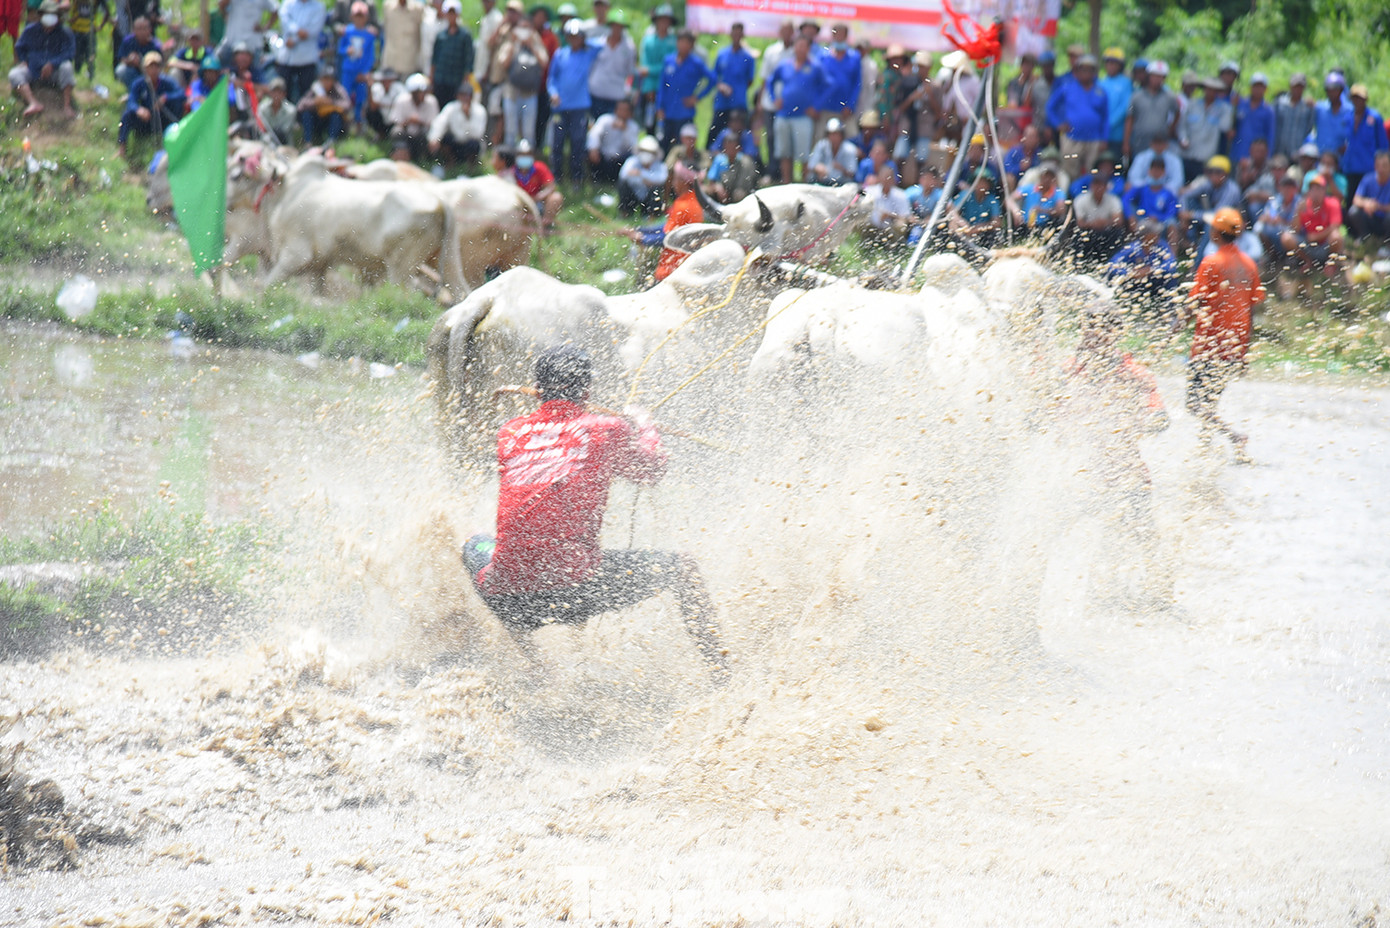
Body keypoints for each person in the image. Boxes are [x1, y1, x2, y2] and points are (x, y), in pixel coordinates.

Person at [462, 346, 729, 683]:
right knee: (683, 567)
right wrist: (644, 426)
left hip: (508, 600)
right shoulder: (606, 428)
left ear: (537, 389)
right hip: (576, 591)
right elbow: (653, 470)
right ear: (587, 391)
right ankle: (723, 678)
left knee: (474, 544)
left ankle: (538, 665)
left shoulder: (509, 433)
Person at [1183, 207, 1264, 461]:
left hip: (1209, 346)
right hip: (1233, 346)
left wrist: (1177, 323)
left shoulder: (1211, 262)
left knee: (1195, 404)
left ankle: (1234, 437)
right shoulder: (1249, 264)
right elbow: (1251, 309)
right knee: (1210, 401)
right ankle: (1205, 448)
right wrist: (1244, 352)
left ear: (1216, 233)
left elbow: (1195, 301)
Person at [768, 34, 827, 184]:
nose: (800, 49)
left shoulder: (815, 66)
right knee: (784, 152)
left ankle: (803, 183)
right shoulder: (784, 65)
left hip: (803, 116)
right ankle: (786, 182)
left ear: (808, 48)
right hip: (783, 114)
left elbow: (827, 86)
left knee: (803, 154)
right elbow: (770, 81)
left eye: (803, 46)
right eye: (798, 45)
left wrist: (817, 106)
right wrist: (775, 99)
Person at [546, 17, 598, 183]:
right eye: (571, 36)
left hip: (579, 106)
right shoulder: (560, 54)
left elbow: (601, 45)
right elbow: (552, 78)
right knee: (557, 143)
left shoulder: (587, 54)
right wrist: (553, 93)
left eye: (577, 36)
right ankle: (556, 176)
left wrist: (586, 40)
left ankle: (577, 178)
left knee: (578, 142)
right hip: (561, 106)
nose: (574, 39)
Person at [9, 1, 77, 119]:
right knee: (14, 74)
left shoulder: (65, 32)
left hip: (55, 72)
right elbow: (19, 47)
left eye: (53, 14)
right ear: (40, 15)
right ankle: (33, 103)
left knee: (67, 67)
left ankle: (67, 106)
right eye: (47, 14)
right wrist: (24, 60)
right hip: (33, 70)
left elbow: (69, 53)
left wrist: (53, 64)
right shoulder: (30, 30)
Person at [1047, 53, 1108, 179]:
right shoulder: (1067, 88)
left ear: (1094, 72)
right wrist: (1058, 124)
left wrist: (1104, 139)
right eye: (1083, 69)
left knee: (1092, 172)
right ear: (1078, 71)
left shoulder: (1100, 91)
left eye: (1090, 70)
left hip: (1094, 139)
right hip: (1071, 137)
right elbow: (1050, 107)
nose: (1086, 73)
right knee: (1070, 171)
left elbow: (1105, 117)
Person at [1106, 218, 1179, 321]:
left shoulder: (1161, 246)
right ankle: (1116, 307)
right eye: (1155, 234)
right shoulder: (1132, 249)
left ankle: (1169, 310)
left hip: (1155, 281)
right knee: (1113, 276)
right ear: (1146, 236)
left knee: (1170, 276)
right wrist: (1130, 273)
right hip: (1133, 283)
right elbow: (1112, 265)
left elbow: (1171, 264)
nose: (1157, 236)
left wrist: (1152, 270)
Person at [654, 29, 713, 155]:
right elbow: (662, 86)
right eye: (681, 42)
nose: (683, 45)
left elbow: (712, 79)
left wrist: (697, 97)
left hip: (685, 113)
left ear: (692, 45)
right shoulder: (669, 60)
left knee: (683, 147)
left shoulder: (696, 63)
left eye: (687, 43)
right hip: (668, 111)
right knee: (663, 145)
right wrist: (659, 107)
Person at [118, 51, 185, 156]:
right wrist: (139, 110)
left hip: (164, 119)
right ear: (145, 68)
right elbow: (131, 101)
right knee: (127, 115)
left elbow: (181, 94)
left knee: (178, 106)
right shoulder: (139, 83)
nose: (154, 70)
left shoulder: (167, 82)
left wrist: (166, 97)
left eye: (156, 66)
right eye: (151, 67)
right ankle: (122, 149)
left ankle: (171, 146)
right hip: (147, 118)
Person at [753, 18, 795, 181]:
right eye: (784, 31)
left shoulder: (796, 51)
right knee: (770, 137)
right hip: (770, 103)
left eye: (789, 31)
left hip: (788, 105)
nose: (786, 34)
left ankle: (786, 174)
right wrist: (759, 102)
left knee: (785, 138)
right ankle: (772, 171)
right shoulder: (771, 51)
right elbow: (765, 78)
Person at [1281, 173, 1344, 277]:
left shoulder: (1332, 203)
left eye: (1319, 189)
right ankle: (1307, 261)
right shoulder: (1303, 205)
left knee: (1336, 237)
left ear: (1324, 191)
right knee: (1286, 237)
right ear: (1309, 191)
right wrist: (1298, 212)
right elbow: (1295, 230)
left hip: (1325, 244)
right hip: (1308, 244)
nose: (1315, 192)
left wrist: (1317, 236)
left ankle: (1330, 263)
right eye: (1313, 189)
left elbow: (1335, 226)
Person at [707, 20, 753, 147]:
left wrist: (738, 89)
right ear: (730, 34)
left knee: (740, 136)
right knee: (714, 134)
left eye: (739, 34)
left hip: (738, 104)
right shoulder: (722, 54)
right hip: (722, 103)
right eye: (735, 33)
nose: (736, 36)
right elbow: (714, 75)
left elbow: (750, 80)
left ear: (743, 35)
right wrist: (720, 86)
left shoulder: (748, 57)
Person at [1178, 77, 1233, 183]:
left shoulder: (1225, 109)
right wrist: (1183, 139)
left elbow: (1225, 127)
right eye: (1208, 89)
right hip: (1188, 154)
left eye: (1214, 90)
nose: (1210, 92)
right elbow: (1182, 126)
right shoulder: (1192, 104)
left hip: (1207, 158)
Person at [1123, 58, 1177, 160]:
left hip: (1160, 143)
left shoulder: (1169, 97)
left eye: (1161, 77)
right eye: (1155, 76)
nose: (1157, 79)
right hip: (1140, 142)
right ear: (1149, 76)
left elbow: (1177, 112)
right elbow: (1129, 119)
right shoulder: (1136, 97)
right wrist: (1126, 143)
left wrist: (1171, 128)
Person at [504, 139, 562, 231]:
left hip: (537, 202)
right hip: (519, 203)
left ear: (532, 156)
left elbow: (551, 187)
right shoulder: (511, 171)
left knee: (556, 197)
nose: (524, 157)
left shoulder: (539, 167)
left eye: (527, 154)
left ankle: (545, 227)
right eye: (521, 155)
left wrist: (538, 197)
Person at [275, 0, 326, 102]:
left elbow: (312, 30)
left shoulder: (319, 7)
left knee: (306, 95)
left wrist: (294, 40)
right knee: (284, 93)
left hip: (307, 59)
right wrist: (297, 31)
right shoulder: (287, 3)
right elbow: (285, 21)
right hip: (286, 58)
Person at [815, 21, 859, 140]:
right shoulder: (823, 56)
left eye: (842, 34)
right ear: (832, 35)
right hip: (825, 107)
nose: (839, 37)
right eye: (836, 34)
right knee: (820, 139)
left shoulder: (854, 57)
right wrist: (817, 105)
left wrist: (850, 106)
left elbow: (857, 84)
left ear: (846, 36)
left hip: (845, 110)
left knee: (852, 138)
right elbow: (816, 82)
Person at [429, 80, 486, 171]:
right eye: (462, 95)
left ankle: (471, 167)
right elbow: (440, 123)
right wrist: (434, 138)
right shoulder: (451, 108)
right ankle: (450, 163)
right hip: (455, 143)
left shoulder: (479, 110)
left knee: (474, 144)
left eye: (467, 96)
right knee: (446, 139)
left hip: (469, 144)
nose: (465, 98)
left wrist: (467, 116)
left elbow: (478, 134)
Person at [337, 1, 379, 123]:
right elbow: (340, 49)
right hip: (348, 70)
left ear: (366, 17)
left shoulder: (369, 35)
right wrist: (347, 50)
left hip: (361, 71)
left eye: (361, 16)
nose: (359, 19)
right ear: (351, 17)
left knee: (361, 97)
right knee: (345, 94)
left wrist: (365, 72)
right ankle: (344, 121)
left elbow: (371, 56)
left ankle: (359, 120)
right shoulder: (347, 31)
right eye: (357, 16)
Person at [1342, 84, 1387, 197]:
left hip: (1369, 168)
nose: (1357, 101)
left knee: (1369, 200)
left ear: (1365, 99)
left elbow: (1383, 146)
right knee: (1350, 200)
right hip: (1350, 168)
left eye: (1360, 98)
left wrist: (1382, 167)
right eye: (1355, 98)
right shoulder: (1347, 117)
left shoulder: (1374, 118)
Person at [586, 6, 632, 117]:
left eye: (620, 26)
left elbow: (630, 71)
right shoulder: (597, 44)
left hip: (616, 94)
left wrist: (628, 91)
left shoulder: (629, 48)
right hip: (596, 92)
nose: (617, 29)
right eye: (615, 25)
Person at [636, 3, 675, 132]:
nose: (663, 23)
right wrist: (649, 88)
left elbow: (669, 67)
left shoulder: (674, 42)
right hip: (650, 89)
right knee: (649, 123)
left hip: (667, 89)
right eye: (661, 20)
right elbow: (644, 67)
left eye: (666, 20)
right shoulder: (648, 41)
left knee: (666, 124)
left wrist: (651, 71)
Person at [429, 1, 473, 109]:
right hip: (440, 80)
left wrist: (465, 82)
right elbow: (434, 60)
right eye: (449, 13)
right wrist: (431, 79)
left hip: (456, 81)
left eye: (453, 13)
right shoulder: (441, 36)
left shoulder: (465, 35)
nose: (451, 16)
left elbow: (468, 60)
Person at [586, 95, 638, 183]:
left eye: (624, 110)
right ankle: (596, 179)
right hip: (603, 158)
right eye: (619, 109)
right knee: (590, 150)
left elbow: (634, 148)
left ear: (630, 113)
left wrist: (625, 131)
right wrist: (593, 149)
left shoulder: (633, 127)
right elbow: (594, 135)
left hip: (619, 161)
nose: (621, 112)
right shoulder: (605, 120)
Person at [388, 71, 439, 161]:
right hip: (406, 132)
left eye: (424, 92)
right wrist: (408, 122)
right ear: (413, 92)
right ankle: (401, 154)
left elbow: (434, 123)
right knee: (396, 132)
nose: (422, 95)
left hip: (422, 134)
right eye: (419, 92)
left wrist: (419, 122)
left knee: (431, 136)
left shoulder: (431, 101)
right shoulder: (402, 100)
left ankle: (423, 157)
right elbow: (395, 121)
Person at [298, 65, 351, 143]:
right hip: (317, 121)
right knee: (307, 114)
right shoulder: (316, 88)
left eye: (330, 79)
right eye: (325, 79)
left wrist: (331, 102)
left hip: (332, 122)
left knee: (335, 115)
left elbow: (347, 104)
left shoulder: (338, 89)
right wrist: (315, 102)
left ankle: (331, 141)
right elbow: (300, 105)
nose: (327, 82)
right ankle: (308, 142)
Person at [617, 134, 667, 216]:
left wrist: (640, 174)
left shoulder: (660, 166)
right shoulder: (632, 161)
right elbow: (623, 175)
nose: (646, 154)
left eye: (650, 152)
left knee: (655, 189)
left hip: (649, 197)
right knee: (623, 185)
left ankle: (652, 216)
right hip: (633, 194)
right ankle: (625, 213)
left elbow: (662, 179)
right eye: (644, 151)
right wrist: (647, 180)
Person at [705, 127, 759, 203]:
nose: (730, 150)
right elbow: (711, 182)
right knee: (706, 191)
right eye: (727, 147)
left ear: (739, 148)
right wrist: (717, 187)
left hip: (741, 194)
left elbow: (743, 186)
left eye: (732, 147)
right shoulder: (719, 160)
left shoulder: (745, 162)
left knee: (738, 195)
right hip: (723, 194)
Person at [1347, 149, 1390, 242]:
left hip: (1385, 219)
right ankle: (1365, 237)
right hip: (1371, 217)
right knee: (1354, 211)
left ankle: (1387, 242)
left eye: (1384, 165)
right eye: (1378, 165)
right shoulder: (1368, 179)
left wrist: (1378, 206)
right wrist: (1366, 203)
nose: (1381, 169)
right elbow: (1356, 199)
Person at [864, 165, 912, 244]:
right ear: (879, 178)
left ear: (893, 179)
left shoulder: (900, 195)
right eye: (884, 177)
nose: (886, 180)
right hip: (871, 225)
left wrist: (890, 215)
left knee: (901, 225)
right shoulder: (869, 192)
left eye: (889, 178)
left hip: (890, 227)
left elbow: (906, 216)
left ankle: (895, 245)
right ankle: (865, 243)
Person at [1273, 73, 1315, 162]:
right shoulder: (1280, 104)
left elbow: (1309, 128)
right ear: (1290, 86)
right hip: (1279, 151)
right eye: (1295, 86)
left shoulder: (1307, 107)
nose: (1297, 90)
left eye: (1300, 87)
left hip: (1297, 152)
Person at [1311, 71, 1352, 158]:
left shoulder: (1350, 110)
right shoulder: (1320, 108)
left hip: (1341, 159)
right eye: (1329, 90)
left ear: (1341, 90)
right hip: (1321, 158)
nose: (1331, 93)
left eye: (1335, 90)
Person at [806, 116, 857, 185]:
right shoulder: (821, 145)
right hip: (823, 182)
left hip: (842, 184)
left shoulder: (849, 148)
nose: (834, 137)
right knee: (811, 178)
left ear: (841, 135)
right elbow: (811, 165)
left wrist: (842, 169)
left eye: (836, 134)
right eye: (831, 134)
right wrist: (817, 168)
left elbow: (852, 173)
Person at [69, 0, 110, 83]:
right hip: (76, 30)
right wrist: (69, 19)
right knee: (77, 55)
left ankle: (91, 76)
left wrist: (100, 26)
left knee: (91, 55)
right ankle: (76, 75)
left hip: (90, 31)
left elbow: (107, 11)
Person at [1097, 47, 1130, 151]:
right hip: (1100, 135)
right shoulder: (1100, 83)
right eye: (1108, 62)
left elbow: (1125, 107)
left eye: (1113, 63)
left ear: (1120, 65)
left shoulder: (1126, 83)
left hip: (1117, 136)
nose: (1110, 65)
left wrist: (1109, 124)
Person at [113, 14, 158, 87]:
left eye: (145, 28)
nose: (142, 32)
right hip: (133, 71)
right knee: (121, 70)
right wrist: (130, 60)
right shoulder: (128, 41)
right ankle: (133, 89)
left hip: (149, 71)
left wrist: (143, 62)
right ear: (134, 30)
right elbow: (121, 58)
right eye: (139, 29)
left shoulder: (155, 45)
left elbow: (160, 63)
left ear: (150, 29)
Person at [382, 0, 424, 76]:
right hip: (391, 64)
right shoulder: (388, 7)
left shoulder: (417, 9)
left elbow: (421, 37)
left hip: (410, 65)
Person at [258, 75, 297, 143]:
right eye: (274, 91)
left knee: (279, 133)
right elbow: (261, 129)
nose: (276, 95)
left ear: (284, 94)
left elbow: (284, 131)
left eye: (279, 92)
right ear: (270, 93)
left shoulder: (291, 110)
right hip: (266, 143)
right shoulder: (262, 108)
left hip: (284, 144)